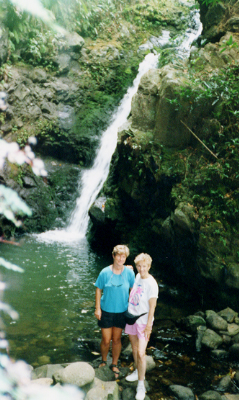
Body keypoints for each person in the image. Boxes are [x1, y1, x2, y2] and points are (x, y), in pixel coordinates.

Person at [94, 244, 135, 378]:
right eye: (118, 256)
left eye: (123, 257)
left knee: (117, 339)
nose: (121, 259)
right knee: (106, 340)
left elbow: (134, 290)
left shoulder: (129, 273)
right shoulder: (105, 272)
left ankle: (115, 364)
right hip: (106, 311)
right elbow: (98, 289)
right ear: (113, 256)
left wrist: (135, 308)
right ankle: (104, 360)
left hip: (122, 311)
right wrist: (97, 308)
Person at [125, 253, 158, 400]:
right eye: (139, 266)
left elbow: (152, 307)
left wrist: (149, 327)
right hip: (132, 317)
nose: (141, 269)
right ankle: (136, 371)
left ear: (149, 266)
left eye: (144, 266)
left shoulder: (152, 284)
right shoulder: (137, 276)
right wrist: (129, 270)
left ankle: (141, 385)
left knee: (141, 353)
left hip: (144, 322)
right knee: (134, 348)